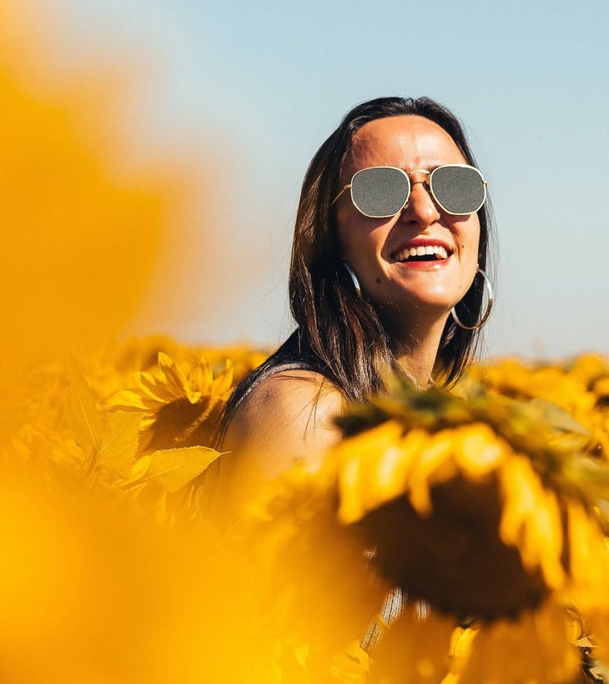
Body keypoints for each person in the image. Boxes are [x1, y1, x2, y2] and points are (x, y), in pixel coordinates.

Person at [212, 95, 494, 516]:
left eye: (455, 185)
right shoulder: (306, 415)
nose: (423, 210)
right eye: (379, 190)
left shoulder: (445, 419)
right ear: (330, 236)